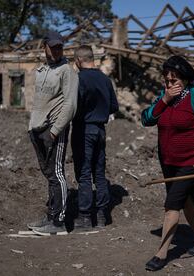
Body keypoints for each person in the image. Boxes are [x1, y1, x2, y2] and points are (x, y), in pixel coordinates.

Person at [141, 55, 194, 271]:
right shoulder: (164, 98)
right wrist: (164, 100)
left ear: (186, 79)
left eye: (174, 80)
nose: (169, 85)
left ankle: (161, 254)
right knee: (187, 203)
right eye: (167, 80)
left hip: (193, 162)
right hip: (169, 162)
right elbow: (146, 119)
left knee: (172, 206)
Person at [27, 30, 78, 235]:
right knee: (49, 175)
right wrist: (32, 126)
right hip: (37, 128)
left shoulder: (67, 71)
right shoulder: (43, 70)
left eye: (60, 47)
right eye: (53, 46)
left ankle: (59, 222)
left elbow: (70, 104)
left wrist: (55, 131)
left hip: (54, 130)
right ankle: (50, 215)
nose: (57, 50)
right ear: (44, 47)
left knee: (56, 173)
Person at [71, 45, 119, 231]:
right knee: (99, 173)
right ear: (92, 58)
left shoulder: (79, 79)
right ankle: (101, 216)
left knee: (84, 173)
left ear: (77, 60)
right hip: (100, 130)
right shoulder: (105, 80)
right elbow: (114, 107)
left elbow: (74, 106)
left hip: (84, 130)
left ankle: (84, 217)